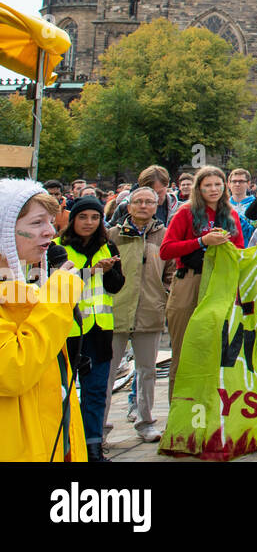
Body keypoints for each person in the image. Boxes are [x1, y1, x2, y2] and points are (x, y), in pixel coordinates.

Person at [0, 180, 88, 462]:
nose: (51, 231)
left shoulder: (20, 288)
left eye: (50, 221)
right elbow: (12, 371)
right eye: (38, 222)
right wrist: (59, 296)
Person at [159, 166, 244, 400]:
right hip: (189, 280)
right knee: (183, 349)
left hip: (219, 284)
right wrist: (201, 241)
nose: (213, 189)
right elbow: (166, 250)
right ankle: (179, 407)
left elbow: (239, 249)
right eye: (208, 185)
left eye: (218, 184)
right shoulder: (186, 213)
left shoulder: (231, 214)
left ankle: (209, 408)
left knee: (213, 349)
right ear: (199, 188)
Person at [104, 186, 172, 444]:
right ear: (129, 206)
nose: (144, 206)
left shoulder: (164, 235)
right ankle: (101, 427)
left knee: (147, 371)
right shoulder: (112, 235)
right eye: (138, 202)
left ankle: (145, 422)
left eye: (149, 202)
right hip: (116, 311)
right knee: (108, 372)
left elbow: (171, 272)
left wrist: (163, 296)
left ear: (156, 206)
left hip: (149, 310)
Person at [59, 195, 125, 461]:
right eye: (83, 217)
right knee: (64, 392)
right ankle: (67, 448)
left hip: (99, 329)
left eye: (95, 217)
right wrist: (91, 270)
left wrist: (108, 271)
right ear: (72, 219)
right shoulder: (57, 248)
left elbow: (116, 286)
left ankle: (93, 447)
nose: (88, 222)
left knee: (96, 391)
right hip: (68, 330)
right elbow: (53, 286)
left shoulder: (107, 246)